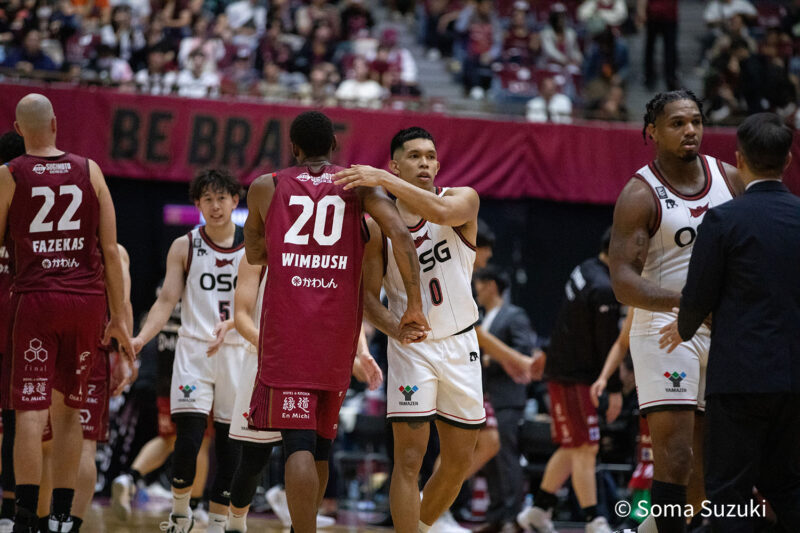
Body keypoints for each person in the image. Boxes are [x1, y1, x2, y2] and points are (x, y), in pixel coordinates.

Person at [243, 111, 427, 533]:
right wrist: (413, 304)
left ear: (294, 148)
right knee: (322, 444)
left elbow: (253, 252)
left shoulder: (266, 186)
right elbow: (401, 235)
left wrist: (288, 254)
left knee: (298, 444)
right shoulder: (358, 186)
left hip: (287, 332)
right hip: (337, 333)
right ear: (334, 146)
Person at [334, 127, 483, 533]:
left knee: (459, 460)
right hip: (413, 348)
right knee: (410, 459)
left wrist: (382, 180)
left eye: (430, 156)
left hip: (461, 343)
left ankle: (420, 526)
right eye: (414, 156)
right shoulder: (378, 228)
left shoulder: (462, 199)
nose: (425, 163)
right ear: (396, 164)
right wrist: (395, 329)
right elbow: (367, 300)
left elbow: (441, 214)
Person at [608, 89, 742, 533]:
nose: (690, 130)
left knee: (707, 469)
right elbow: (623, 282)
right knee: (677, 458)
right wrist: (690, 303)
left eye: (696, 121)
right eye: (678, 123)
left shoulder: (730, 180)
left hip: (722, 328)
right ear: (652, 131)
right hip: (666, 327)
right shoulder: (639, 193)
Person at [659, 113, 800, 532]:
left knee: (728, 493)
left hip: (739, 378)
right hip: (795, 380)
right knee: (791, 487)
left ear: (739, 160)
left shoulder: (723, 220)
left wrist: (683, 327)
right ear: (788, 160)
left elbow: (699, 293)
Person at [0, 93, 133, 532]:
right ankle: (61, 516)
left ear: (19, 131)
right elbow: (110, 251)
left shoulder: (10, 174)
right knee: (70, 411)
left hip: (36, 299)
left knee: (29, 412)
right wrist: (119, 317)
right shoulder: (90, 170)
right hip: (86, 303)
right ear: (55, 123)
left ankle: (23, 517)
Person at [131, 168, 247, 533]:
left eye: (221, 198)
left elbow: (262, 302)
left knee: (229, 445)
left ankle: (218, 522)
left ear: (235, 200)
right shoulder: (185, 246)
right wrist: (141, 338)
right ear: (197, 204)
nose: (215, 206)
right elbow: (166, 301)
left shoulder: (254, 247)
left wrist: (234, 324)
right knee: (189, 438)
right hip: (194, 353)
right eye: (207, 199)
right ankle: (180, 515)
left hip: (237, 351)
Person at [517, 228, 620, 533]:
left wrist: (548, 352)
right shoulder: (603, 288)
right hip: (574, 378)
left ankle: (538, 511)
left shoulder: (585, 268)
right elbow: (607, 343)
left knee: (573, 446)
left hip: (564, 372)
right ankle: (594, 520)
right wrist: (614, 388)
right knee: (585, 447)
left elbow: (567, 322)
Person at [111, 299, 212, 523]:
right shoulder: (201, 286)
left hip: (164, 371)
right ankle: (194, 507)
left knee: (168, 438)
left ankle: (130, 478)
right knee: (201, 440)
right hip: (192, 369)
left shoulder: (165, 287)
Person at [473, 266, 536, 532]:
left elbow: (524, 352)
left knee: (507, 456)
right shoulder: (482, 317)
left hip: (507, 397)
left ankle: (512, 516)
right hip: (484, 396)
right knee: (490, 459)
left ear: (491, 285)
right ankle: (496, 515)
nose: (476, 290)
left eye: (479, 284)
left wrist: (489, 359)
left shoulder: (514, 315)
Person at [0, 131, 26, 533]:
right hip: (21, 331)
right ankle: (10, 509)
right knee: (18, 425)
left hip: (20, 333)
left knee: (18, 424)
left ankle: (10, 508)